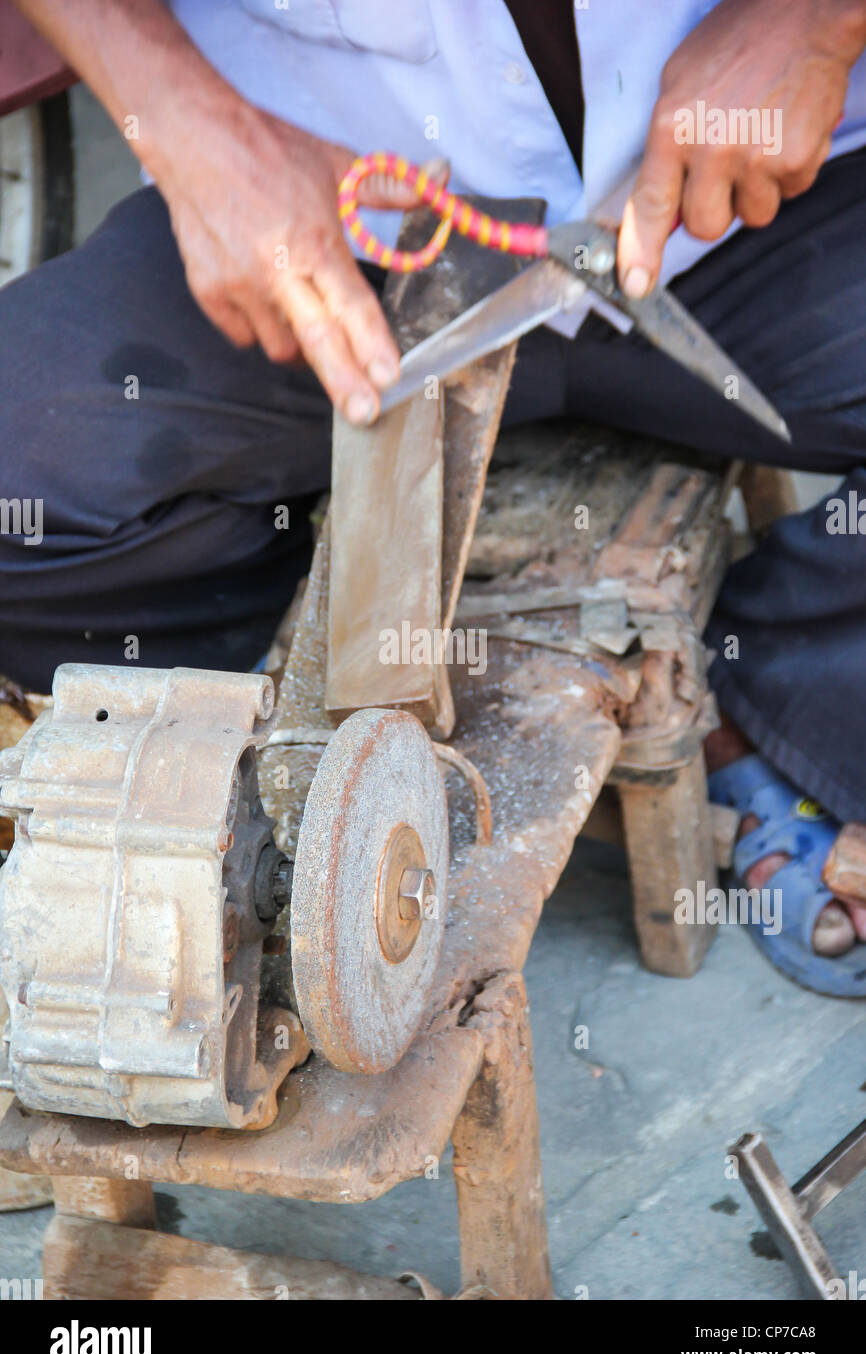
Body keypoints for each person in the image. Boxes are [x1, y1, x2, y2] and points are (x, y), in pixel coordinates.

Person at [3, 0, 866, 991]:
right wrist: (190, 125)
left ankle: (754, 711)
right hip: (327, 209)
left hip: (748, 193)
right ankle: (250, 783)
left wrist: (810, 20)